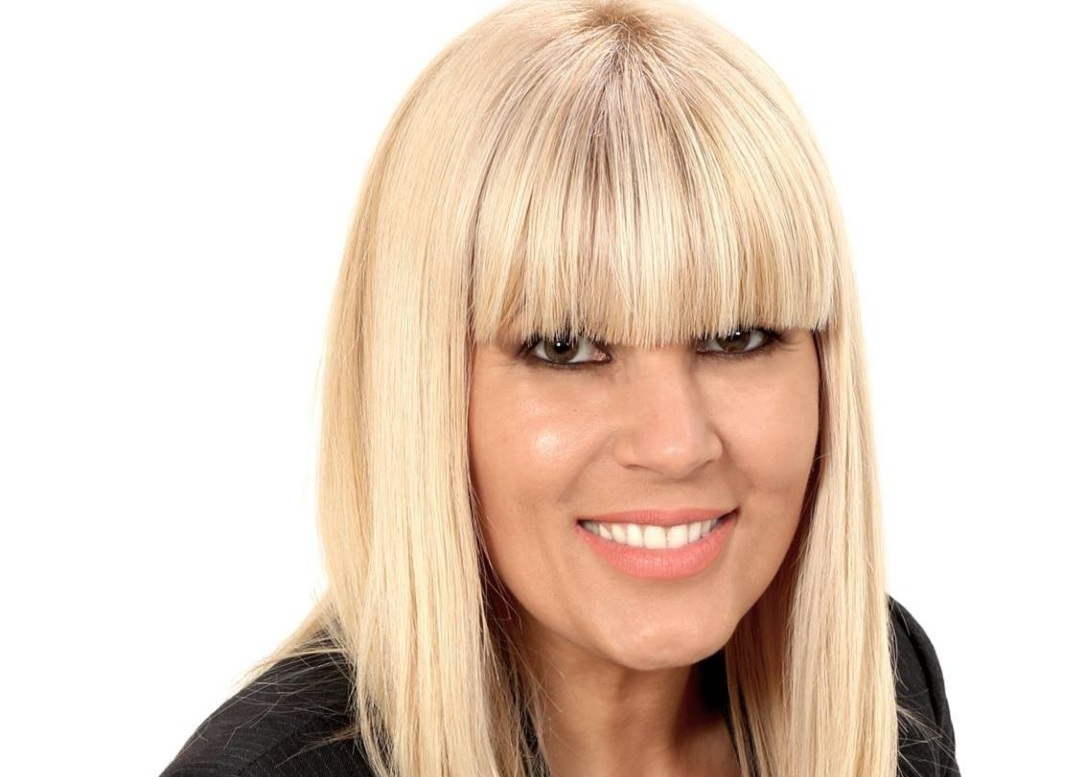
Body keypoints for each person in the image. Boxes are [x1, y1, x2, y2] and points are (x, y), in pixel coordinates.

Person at [159, 0, 959, 775]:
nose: (675, 443)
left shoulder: (882, 688)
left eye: (738, 337)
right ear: (420, 391)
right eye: (565, 346)